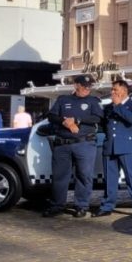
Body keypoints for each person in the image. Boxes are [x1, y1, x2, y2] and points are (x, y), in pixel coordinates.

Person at [43, 75, 104, 218]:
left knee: (84, 176)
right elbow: (51, 116)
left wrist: (77, 120)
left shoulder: (93, 101)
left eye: (89, 86)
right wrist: (65, 122)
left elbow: (98, 118)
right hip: (62, 144)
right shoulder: (63, 100)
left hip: (84, 144)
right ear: (75, 85)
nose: (87, 89)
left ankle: (81, 206)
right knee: (60, 177)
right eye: (83, 86)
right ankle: (57, 205)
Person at [94, 80, 132, 218]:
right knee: (110, 179)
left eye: (115, 90)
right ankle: (107, 206)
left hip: (127, 147)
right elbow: (105, 126)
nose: (112, 92)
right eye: (112, 90)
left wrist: (118, 106)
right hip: (110, 147)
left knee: (131, 177)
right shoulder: (108, 107)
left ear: (124, 91)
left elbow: (131, 119)